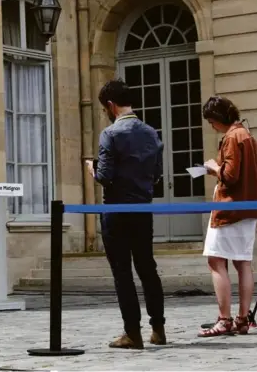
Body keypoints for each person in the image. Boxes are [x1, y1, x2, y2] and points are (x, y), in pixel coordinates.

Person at [85, 79, 166, 349]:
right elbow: (157, 175)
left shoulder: (110, 133)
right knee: (147, 268)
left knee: (122, 272)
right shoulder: (152, 132)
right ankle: (158, 328)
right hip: (143, 208)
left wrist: (92, 169)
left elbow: (105, 177)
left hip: (117, 210)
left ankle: (133, 332)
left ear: (110, 105)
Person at [198, 96, 257, 337]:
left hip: (230, 207)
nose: (212, 126)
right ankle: (242, 318)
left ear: (217, 119)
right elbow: (255, 173)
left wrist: (213, 167)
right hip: (249, 206)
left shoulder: (232, 137)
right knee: (243, 262)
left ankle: (224, 319)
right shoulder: (248, 136)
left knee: (216, 260)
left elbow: (230, 175)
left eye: (211, 121)